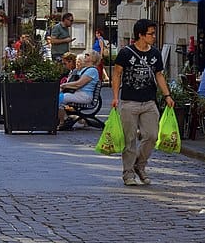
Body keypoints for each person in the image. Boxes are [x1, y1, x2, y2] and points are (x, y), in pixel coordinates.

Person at [112, 19, 174, 186]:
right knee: (130, 139)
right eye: (151, 34)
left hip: (149, 101)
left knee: (152, 135)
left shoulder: (155, 54)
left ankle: (140, 165)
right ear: (140, 35)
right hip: (129, 101)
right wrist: (116, 97)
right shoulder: (126, 53)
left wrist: (167, 95)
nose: (154, 36)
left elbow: (159, 74)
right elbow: (117, 73)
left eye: (154, 33)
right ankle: (128, 174)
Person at [58, 50, 101, 128]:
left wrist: (64, 85)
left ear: (93, 59)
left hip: (84, 96)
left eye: (87, 55)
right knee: (58, 97)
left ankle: (64, 120)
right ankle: (66, 119)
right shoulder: (85, 69)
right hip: (79, 94)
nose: (85, 55)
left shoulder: (92, 70)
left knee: (58, 99)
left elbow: (79, 84)